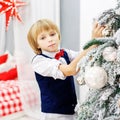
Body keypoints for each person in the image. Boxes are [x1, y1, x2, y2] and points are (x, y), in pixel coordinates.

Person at [27, 19, 105, 120]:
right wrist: (93, 42)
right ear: (37, 44)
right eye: (43, 38)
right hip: (54, 113)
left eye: (52, 34)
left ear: (58, 36)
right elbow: (70, 70)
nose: (50, 39)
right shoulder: (39, 61)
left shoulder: (65, 53)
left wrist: (98, 42)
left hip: (71, 108)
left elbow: (85, 57)